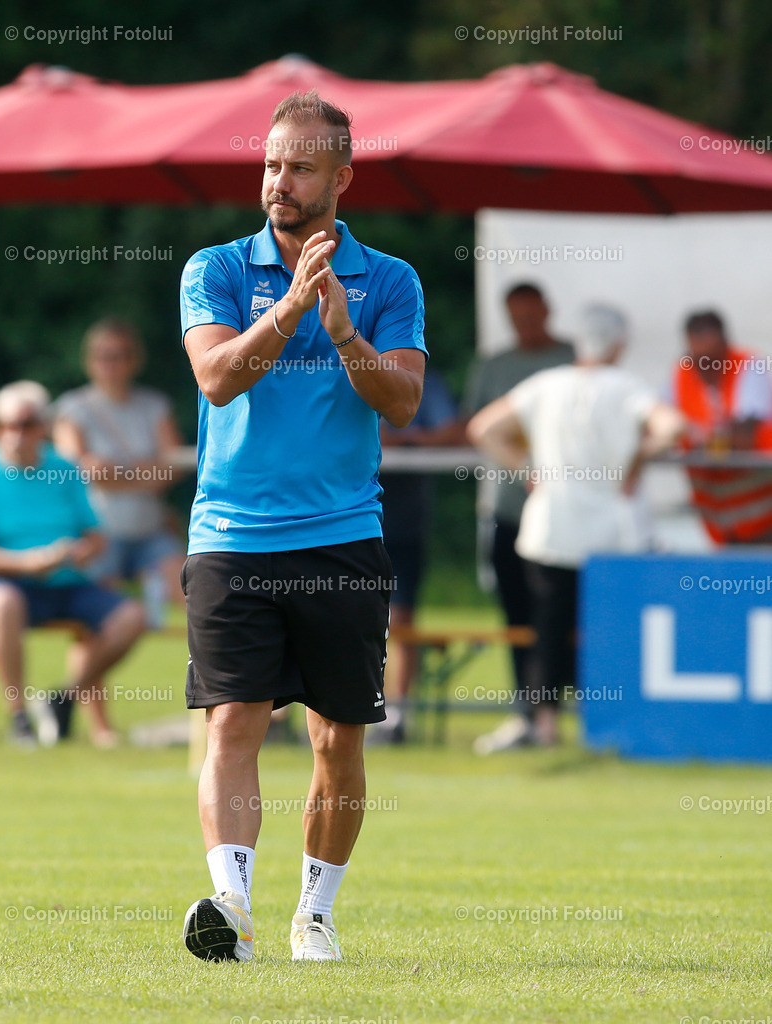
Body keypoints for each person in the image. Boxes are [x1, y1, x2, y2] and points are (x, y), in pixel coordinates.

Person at [177, 89, 426, 963]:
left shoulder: (390, 280)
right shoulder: (214, 267)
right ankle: (234, 908)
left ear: (342, 179)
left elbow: (403, 402)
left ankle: (313, 915)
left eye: (301, 168)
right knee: (232, 722)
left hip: (342, 537)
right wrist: (289, 309)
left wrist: (347, 335)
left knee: (337, 739)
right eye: (272, 164)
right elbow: (216, 378)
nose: (279, 182)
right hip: (230, 537)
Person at [467, 306, 684, 745]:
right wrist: (637, 459)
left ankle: (545, 723)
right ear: (619, 344)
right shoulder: (628, 387)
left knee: (548, 628)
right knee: (613, 629)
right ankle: (612, 721)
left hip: (553, 528)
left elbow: (483, 428)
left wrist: (527, 469)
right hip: (615, 534)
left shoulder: (546, 384)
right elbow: (674, 427)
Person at [0, 381, 146, 748]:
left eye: (24, 425)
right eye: (5, 425)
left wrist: (80, 551)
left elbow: (97, 535)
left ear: (43, 426)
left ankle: (62, 699)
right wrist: (24, 564)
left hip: (65, 582)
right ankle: (19, 717)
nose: (14, 434)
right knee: (3, 603)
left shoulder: (65, 468)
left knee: (131, 616)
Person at [462, 283, 575, 755]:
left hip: (564, 516)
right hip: (508, 511)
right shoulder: (494, 366)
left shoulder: (571, 361)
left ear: (548, 311)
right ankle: (528, 710)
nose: (526, 325)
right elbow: (473, 425)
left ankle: (559, 709)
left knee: (562, 614)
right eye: (517, 317)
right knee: (518, 615)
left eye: (532, 315)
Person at [54, 318, 185, 626]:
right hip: (100, 535)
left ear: (135, 360)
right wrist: (146, 471)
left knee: (193, 593)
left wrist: (115, 474)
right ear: (89, 360)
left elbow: (174, 467)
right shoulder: (72, 408)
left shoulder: (154, 405)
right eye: (102, 356)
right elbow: (78, 470)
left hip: (150, 530)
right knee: (103, 618)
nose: (110, 364)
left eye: (119, 355)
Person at [376, 368, 460, 741]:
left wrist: (404, 441)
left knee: (402, 619)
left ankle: (396, 714)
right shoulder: (334, 367)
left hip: (404, 523)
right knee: (341, 615)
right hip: (346, 522)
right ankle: (348, 705)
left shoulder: (426, 381)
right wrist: (407, 440)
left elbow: (452, 431)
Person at [670, 309, 772, 545]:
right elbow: (661, 427)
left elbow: (743, 440)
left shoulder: (750, 366)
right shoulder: (681, 374)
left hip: (764, 518)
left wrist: (695, 436)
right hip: (719, 525)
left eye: (713, 358)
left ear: (725, 344)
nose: (707, 366)